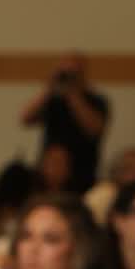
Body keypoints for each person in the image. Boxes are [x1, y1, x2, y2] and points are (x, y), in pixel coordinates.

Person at [19, 53, 109, 193]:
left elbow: (95, 129)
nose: (68, 77)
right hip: (49, 175)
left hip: (83, 171)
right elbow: (25, 118)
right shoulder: (52, 99)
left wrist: (74, 95)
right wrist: (48, 88)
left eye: (74, 73)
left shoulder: (96, 100)